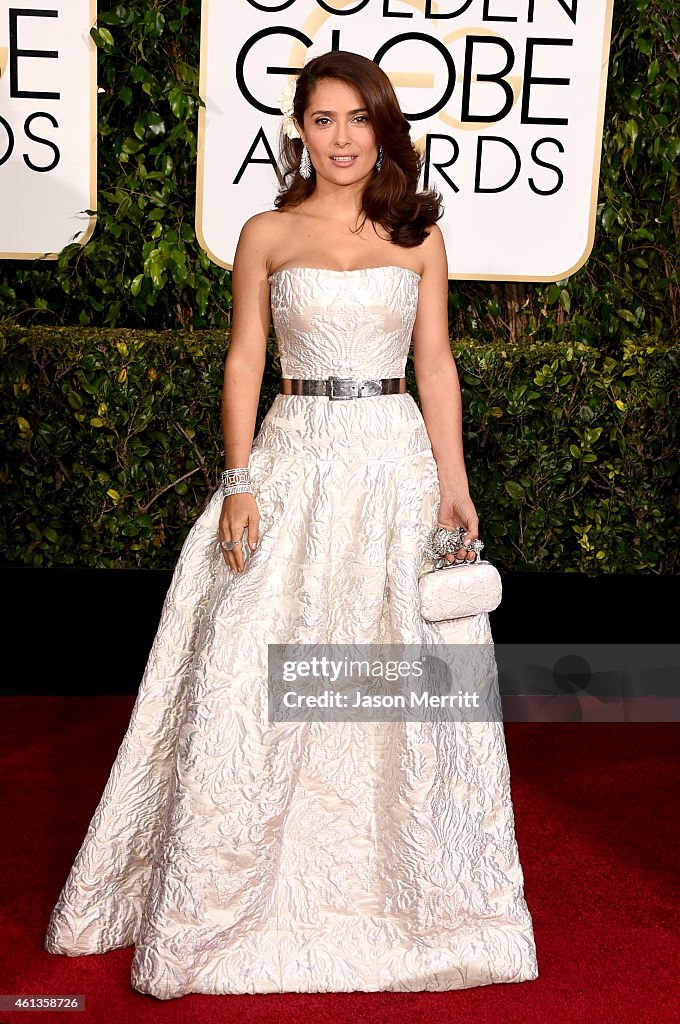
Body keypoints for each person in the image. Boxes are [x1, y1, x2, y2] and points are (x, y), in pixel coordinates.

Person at [44, 50, 539, 998]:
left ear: (384, 127)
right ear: (299, 130)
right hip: (294, 458)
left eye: (359, 119)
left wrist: (453, 480)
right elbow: (243, 362)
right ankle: (235, 894)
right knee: (255, 661)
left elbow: (435, 367)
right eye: (323, 119)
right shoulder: (265, 233)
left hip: (394, 465)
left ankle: (410, 892)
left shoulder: (418, 238)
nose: (342, 138)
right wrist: (238, 480)